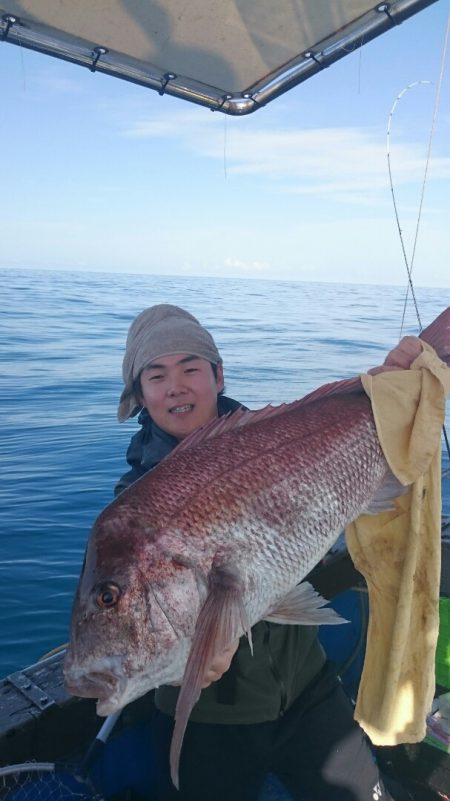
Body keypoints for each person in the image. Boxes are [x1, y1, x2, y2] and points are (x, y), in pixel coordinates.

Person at [115, 303, 417, 801]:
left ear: (218, 375)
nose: (176, 386)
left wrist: (395, 382)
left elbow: (338, 478)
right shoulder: (135, 506)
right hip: (210, 719)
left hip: (308, 685)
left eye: (190, 368)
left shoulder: (277, 441)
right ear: (142, 395)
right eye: (156, 375)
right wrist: (200, 655)